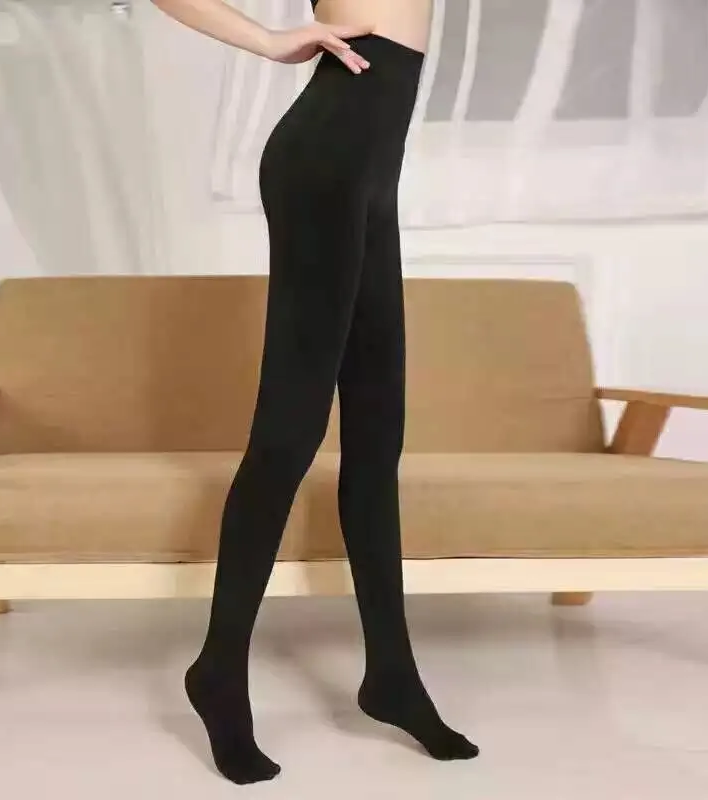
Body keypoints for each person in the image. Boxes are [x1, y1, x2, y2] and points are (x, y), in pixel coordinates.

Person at [151, 0, 479, 784]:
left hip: (369, 172)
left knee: (377, 435)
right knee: (289, 433)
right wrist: (266, 40)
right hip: (327, 162)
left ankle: (390, 674)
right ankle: (218, 670)